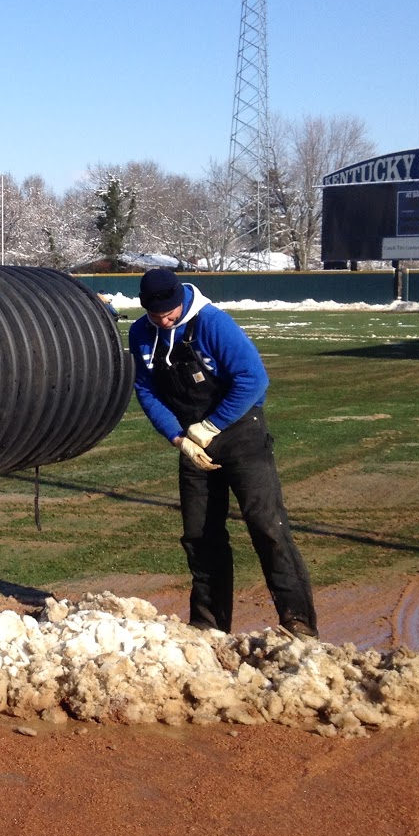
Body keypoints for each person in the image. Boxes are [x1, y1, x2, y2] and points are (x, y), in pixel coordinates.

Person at [128, 267, 319, 638]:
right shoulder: (141, 333)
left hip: (240, 433)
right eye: (156, 315)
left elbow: (253, 378)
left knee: (267, 527)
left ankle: (298, 624)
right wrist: (178, 438)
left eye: (169, 313)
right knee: (200, 535)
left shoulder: (214, 323)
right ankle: (209, 626)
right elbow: (146, 389)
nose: (164, 320)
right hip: (192, 441)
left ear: (181, 301)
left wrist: (212, 426)